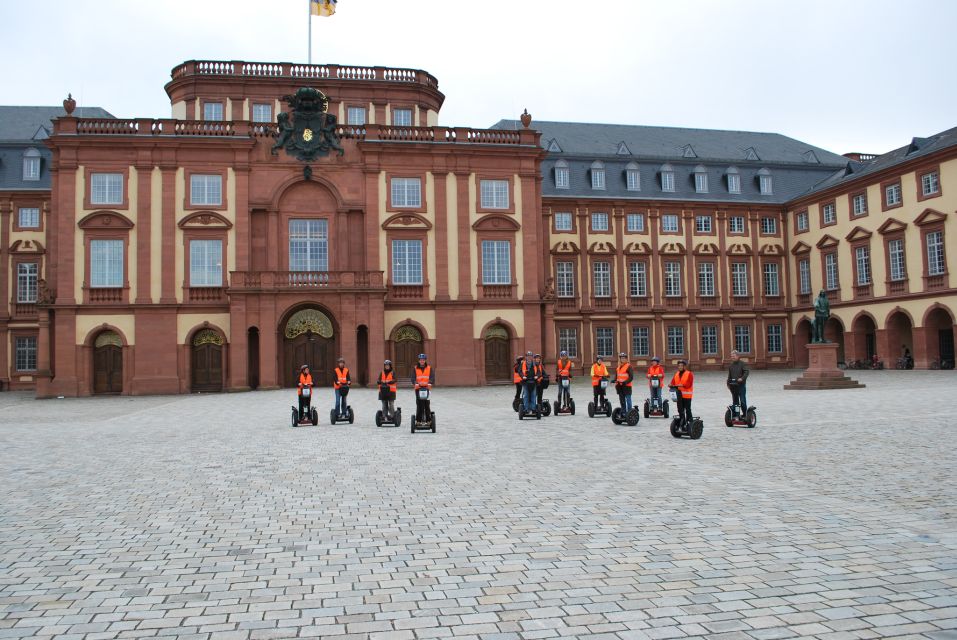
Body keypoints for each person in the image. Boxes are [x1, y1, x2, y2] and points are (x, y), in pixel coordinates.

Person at [670, 359, 694, 426]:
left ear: (684, 366)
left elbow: (689, 384)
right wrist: (670, 385)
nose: (680, 367)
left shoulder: (689, 374)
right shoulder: (676, 374)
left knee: (688, 410)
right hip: (679, 395)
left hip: (687, 396)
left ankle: (690, 422)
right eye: (679, 366)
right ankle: (682, 422)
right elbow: (673, 382)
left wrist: (682, 385)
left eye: (681, 366)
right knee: (680, 410)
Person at [412, 353, 435, 423]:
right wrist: (415, 383)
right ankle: (418, 420)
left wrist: (430, 382)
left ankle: (428, 420)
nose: (422, 361)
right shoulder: (415, 368)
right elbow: (413, 378)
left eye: (423, 360)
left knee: (426, 404)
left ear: (425, 360)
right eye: (420, 360)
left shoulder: (429, 368)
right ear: (419, 361)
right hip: (418, 389)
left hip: (427, 388)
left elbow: (432, 377)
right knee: (419, 404)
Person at [726, 350, 749, 417]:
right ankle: (736, 415)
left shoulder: (742, 364)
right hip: (733, 386)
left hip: (741, 386)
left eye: (734, 356)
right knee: (735, 402)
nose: (732, 357)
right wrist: (728, 383)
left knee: (742, 401)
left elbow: (746, 372)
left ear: (738, 356)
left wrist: (742, 378)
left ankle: (745, 414)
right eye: (731, 356)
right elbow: (729, 375)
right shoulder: (731, 365)